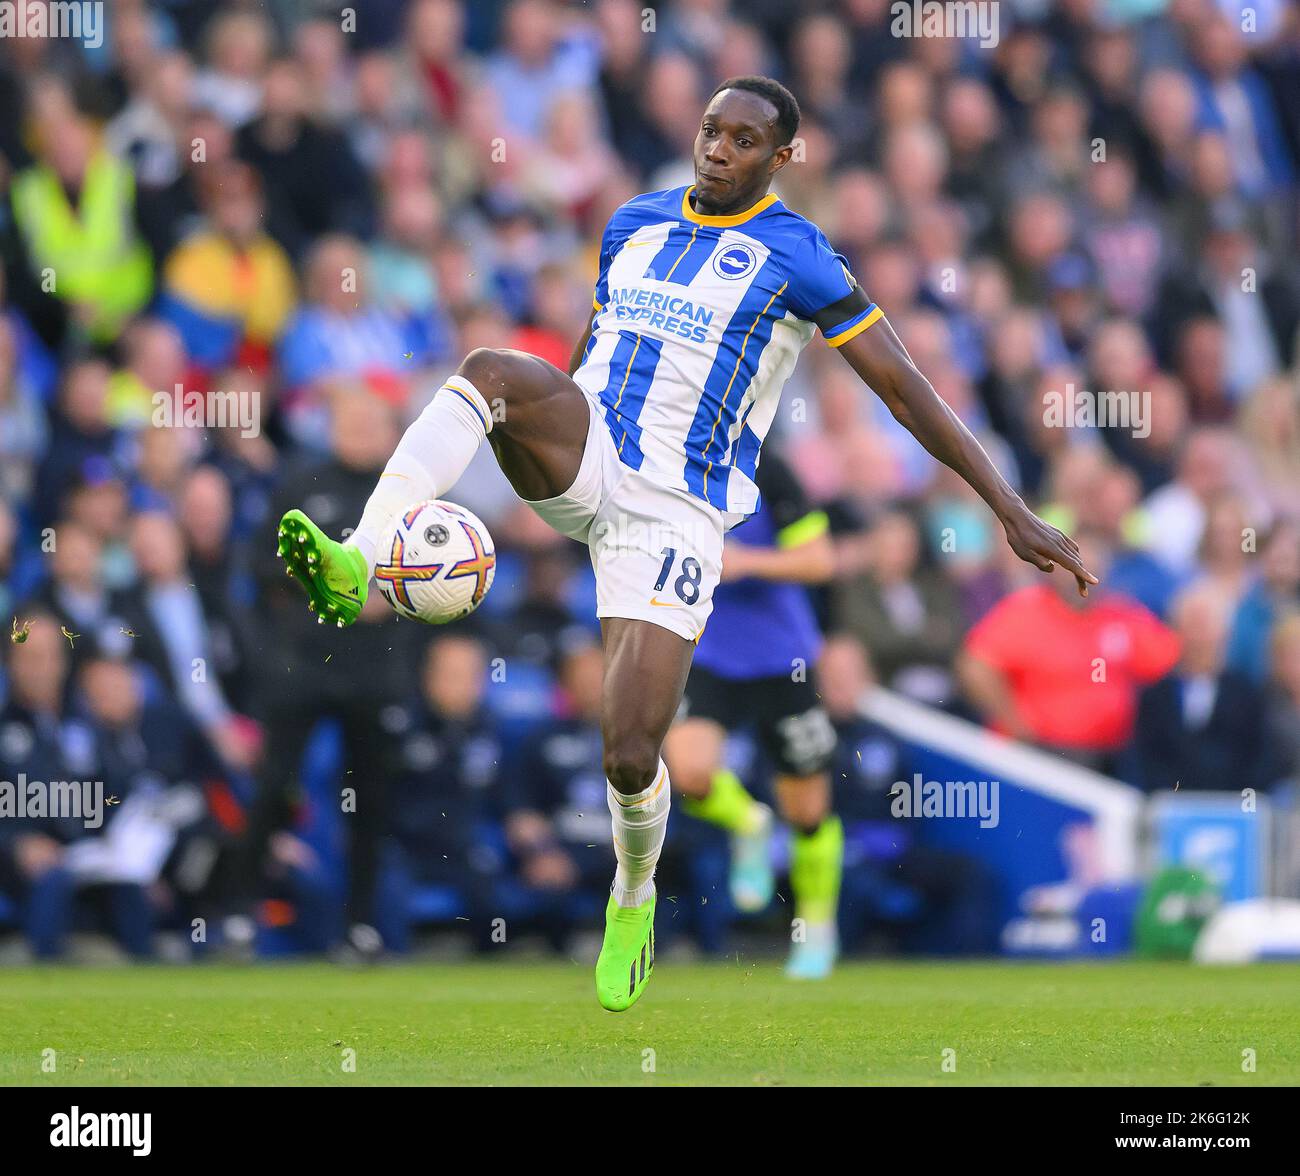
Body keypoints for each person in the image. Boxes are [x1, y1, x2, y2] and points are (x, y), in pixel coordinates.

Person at [274, 77, 1093, 1011]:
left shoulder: (803, 258)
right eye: (711, 131)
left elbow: (904, 389)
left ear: (779, 160)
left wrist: (1008, 506)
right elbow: (595, 344)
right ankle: (362, 554)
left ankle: (633, 893)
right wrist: (554, 427)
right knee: (492, 370)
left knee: (629, 751)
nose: (718, 149)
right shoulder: (634, 220)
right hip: (592, 453)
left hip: (677, 512)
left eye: (744, 141)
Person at [663, 450, 843, 979]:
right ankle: (748, 823)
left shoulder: (772, 468)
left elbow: (820, 560)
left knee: (809, 811)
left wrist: (746, 561)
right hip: (709, 651)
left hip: (781, 658)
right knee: (689, 774)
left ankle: (816, 927)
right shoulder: (675, 460)